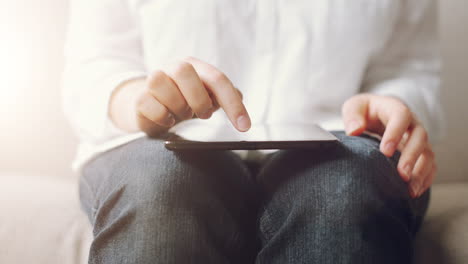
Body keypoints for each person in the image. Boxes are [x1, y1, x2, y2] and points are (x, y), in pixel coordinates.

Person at [63, 0, 443, 263]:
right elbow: (95, 65)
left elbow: (409, 64)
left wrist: (391, 103)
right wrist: (141, 102)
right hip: (159, 142)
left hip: (339, 140)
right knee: (159, 187)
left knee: (343, 188)